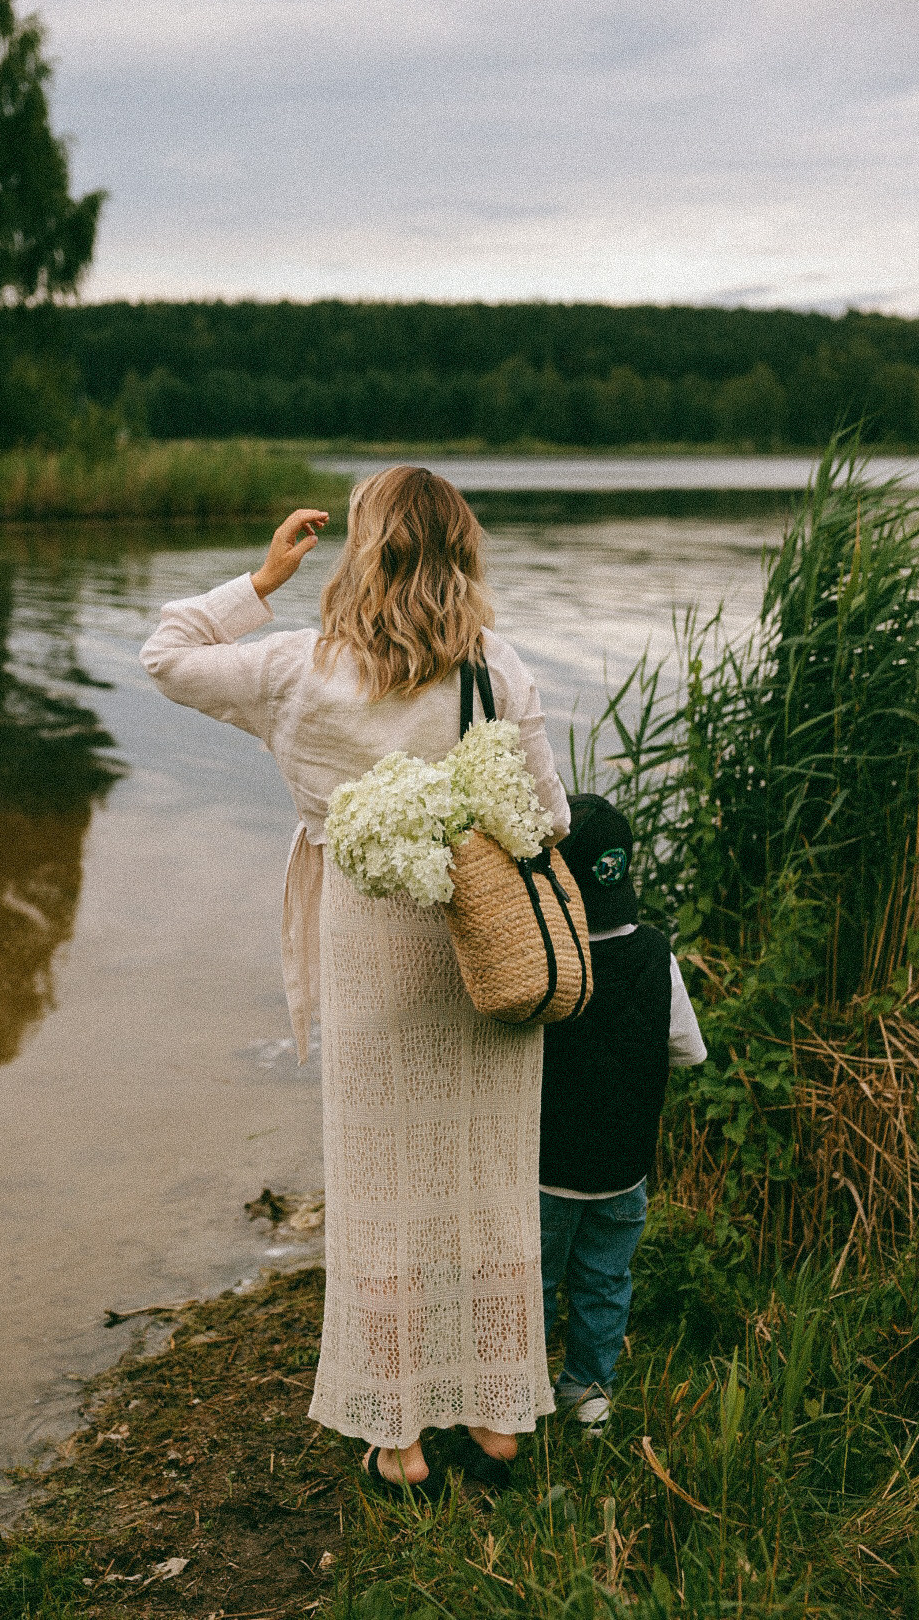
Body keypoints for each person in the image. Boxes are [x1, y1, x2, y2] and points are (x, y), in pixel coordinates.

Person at [140, 467, 570, 1494]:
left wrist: (260, 582)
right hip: (486, 948)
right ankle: (496, 1419)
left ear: (361, 553)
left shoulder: (299, 668)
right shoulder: (495, 667)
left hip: (371, 947)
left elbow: (167, 655)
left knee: (384, 1189)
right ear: (462, 552)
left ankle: (400, 1439)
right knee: (484, 1178)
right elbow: (550, 818)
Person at [538, 794, 707, 1436]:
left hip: (548, 1169)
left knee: (534, 1285)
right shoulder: (656, 953)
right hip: (625, 1167)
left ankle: (519, 1399)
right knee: (605, 1282)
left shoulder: (548, 962)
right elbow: (687, 1049)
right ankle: (589, 1396)